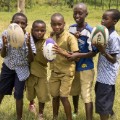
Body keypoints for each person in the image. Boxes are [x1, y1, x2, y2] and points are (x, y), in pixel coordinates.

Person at [0, 12, 36, 120]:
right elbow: (2, 55)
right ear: (11, 23)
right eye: (17, 22)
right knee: (1, 90)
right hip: (8, 66)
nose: (20, 25)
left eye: (23, 23)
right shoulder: (6, 34)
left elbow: (31, 59)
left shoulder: (27, 36)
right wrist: (5, 46)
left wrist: (29, 45)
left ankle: (19, 117)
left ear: (26, 25)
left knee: (18, 94)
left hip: (22, 68)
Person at [68, 3, 97, 120]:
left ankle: (89, 118)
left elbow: (94, 52)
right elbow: (68, 43)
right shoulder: (71, 28)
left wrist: (77, 54)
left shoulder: (91, 31)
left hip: (86, 67)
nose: (77, 15)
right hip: (73, 66)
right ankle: (75, 111)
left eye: (80, 13)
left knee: (86, 94)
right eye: (75, 13)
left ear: (86, 14)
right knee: (74, 90)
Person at [49, 13, 79, 120]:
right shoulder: (51, 36)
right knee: (55, 96)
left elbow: (77, 57)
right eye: (54, 24)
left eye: (59, 24)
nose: (57, 27)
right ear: (51, 24)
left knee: (63, 97)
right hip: (55, 71)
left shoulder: (70, 37)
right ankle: (55, 117)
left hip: (67, 71)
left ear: (64, 24)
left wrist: (63, 53)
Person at [94, 9, 120, 120]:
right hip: (102, 75)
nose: (102, 21)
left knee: (102, 102)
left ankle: (106, 116)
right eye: (102, 18)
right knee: (101, 96)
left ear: (114, 21)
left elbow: (114, 59)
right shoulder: (105, 33)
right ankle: (112, 113)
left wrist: (102, 51)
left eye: (105, 19)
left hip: (107, 77)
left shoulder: (114, 37)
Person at [26, 20, 50, 120]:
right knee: (30, 92)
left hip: (41, 72)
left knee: (43, 94)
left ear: (45, 31)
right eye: (36, 30)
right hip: (29, 72)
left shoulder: (47, 42)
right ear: (32, 30)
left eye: (42, 30)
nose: (39, 33)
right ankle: (31, 104)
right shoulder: (27, 39)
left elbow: (50, 56)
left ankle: (40, 113)